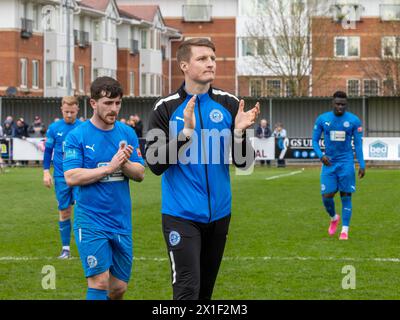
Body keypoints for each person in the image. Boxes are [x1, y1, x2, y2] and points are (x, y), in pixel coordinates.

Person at [146, 38, 260, 300]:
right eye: (202, 58)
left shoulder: (230, 104)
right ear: (184, 65)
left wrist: (241, 133)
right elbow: (155, 164)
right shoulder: (165, 108)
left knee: (204, 294)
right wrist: (186, 134)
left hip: (220, 215)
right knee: (187, 290)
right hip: (181, 214)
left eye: (213, 58)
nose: (210, 63)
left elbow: (245, 163)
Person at [63, 76, 145, 300]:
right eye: (108, 103)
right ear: (93, 103)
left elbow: (140, 174)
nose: (114, 109)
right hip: (91, 221)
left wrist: (124, 162)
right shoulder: (77, 136)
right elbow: (71, 176)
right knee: (99, 282)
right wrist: (109, 168)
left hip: (120, 221)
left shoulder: (127, 133)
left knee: (118, 288)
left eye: (117, 103)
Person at [312, 91, 365, 240]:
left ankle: (345, 231)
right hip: (329, 162)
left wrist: (361, 164)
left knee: (346, 195)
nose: (340, 107)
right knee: (327, 196)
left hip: (346, 162)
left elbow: (358, 145)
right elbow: (314, 141)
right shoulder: (323, 119)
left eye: (343, 104)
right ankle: (334, 217)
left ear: (346, 104)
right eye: (338, 104)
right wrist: (321, 156)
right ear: (332, 103)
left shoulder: (354, 121)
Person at [43, 97, 82, 259]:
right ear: (61, 109)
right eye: (66, 112)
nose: (69, 115)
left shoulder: (83, 127)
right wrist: (46, 171)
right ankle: (65, 249)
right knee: (65, 211)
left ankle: (85, 247)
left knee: (83, 211)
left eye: (72, 112)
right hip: (61, 176)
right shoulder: (54, 128)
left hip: (81, 175)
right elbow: (48, 151)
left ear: (77, 110)